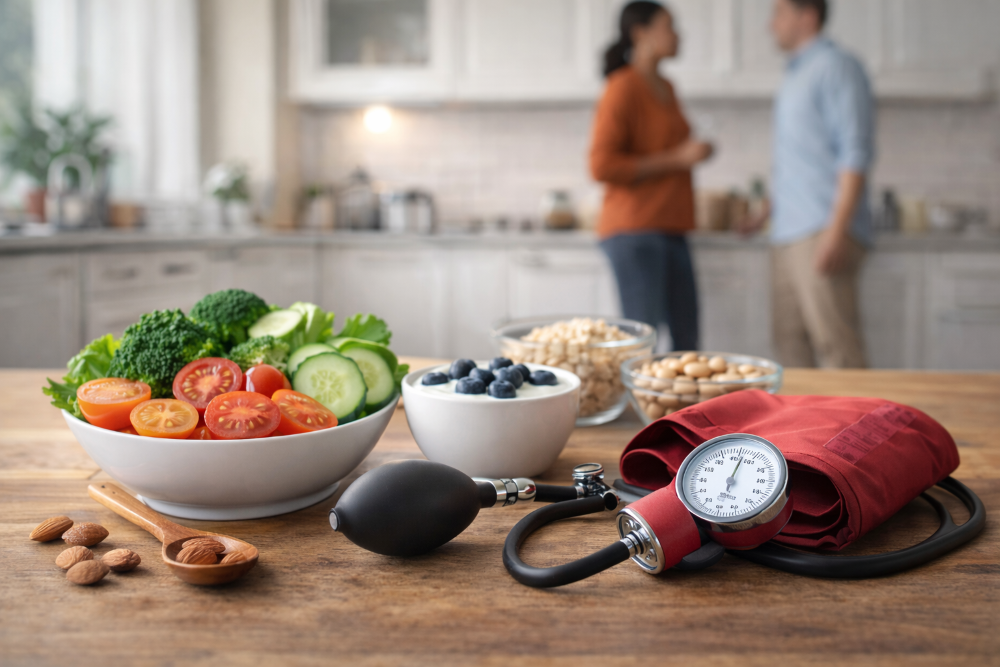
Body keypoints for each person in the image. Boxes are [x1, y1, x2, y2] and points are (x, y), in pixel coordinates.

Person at [741, 0, 874, 368]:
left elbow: (855, 154)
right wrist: (763, 213)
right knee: (789, 344)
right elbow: (795, 163)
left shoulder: (836, 67)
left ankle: (858, 428)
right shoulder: (795, 74)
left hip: (820, 228)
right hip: (787, 233)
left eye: (779, 13)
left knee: (838, 346)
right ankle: (806, 428)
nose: (772, 25)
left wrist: (837, 230)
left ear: (808, 15)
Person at [590, 1, 714, 352]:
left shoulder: (667, 87)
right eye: (669, 26)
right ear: (640, 33)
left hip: (672, 228)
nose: (677, 34)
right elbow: (602, 165)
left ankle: (686, 410)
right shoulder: (622, 88)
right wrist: (678, 157)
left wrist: (693, 152)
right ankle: (643, 409)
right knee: (644, 346)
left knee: (687, 342)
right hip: (635, 230)